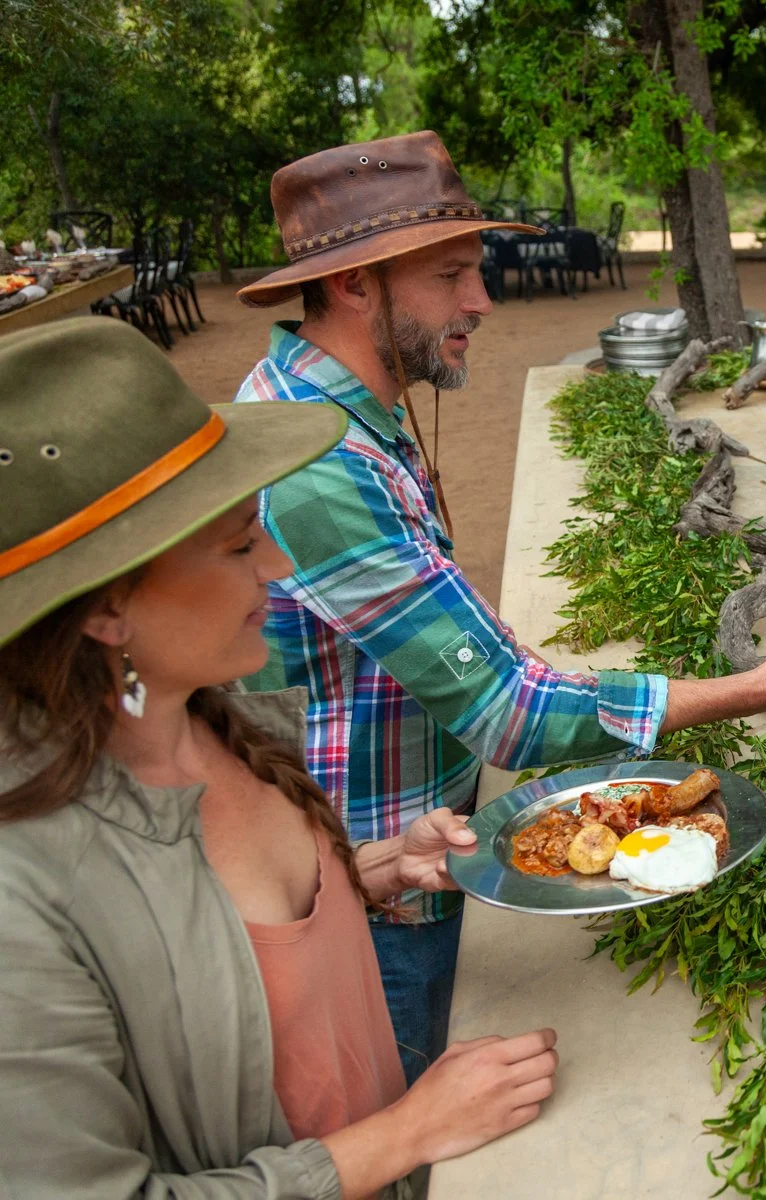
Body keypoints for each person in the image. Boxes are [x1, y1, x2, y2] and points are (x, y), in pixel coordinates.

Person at [234, 132, 766, 1081]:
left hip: (412, 837)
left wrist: (526, 660)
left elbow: (437, 629)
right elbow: (509, 713)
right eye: (453, 275)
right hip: (379, 886)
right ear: (355, 284)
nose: (481, 303)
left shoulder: (342, 406)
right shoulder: (318, 460)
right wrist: (760, 687)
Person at [0, 317, 556, 1198]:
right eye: (237, 544)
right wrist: (405, 1132)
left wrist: (370, 869)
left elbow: (233, 934)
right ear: (107, 612)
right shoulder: (23, 886)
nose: (277, 561)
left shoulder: (216, 718)